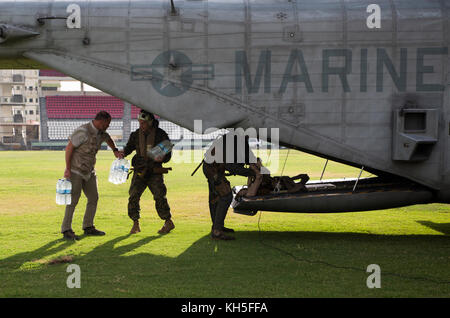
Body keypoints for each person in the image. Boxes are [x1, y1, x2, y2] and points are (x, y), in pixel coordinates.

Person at [61, 111, 122, 240]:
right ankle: (66, 229)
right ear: (101, 121)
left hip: (89, 171)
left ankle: (88, 226)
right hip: (76, 170)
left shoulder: (101, 133)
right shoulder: (83, 131)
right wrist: (67, 168)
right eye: (107, 123)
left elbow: (108, 139)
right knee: (73, 200)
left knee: (93, 198)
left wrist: (115, 150)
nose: (108, 126)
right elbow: (69, 148)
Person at [121, 110, 175, 235]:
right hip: (140, 170)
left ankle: (168, 221)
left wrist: (163, 158)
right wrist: (123, 153)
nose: (141, 125)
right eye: (140, 122)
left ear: (150, 122)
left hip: (154, 171)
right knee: (133, 195)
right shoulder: (136, 134)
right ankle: (135, 223)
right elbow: (129, 148)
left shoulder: (161, 134)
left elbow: (167, 153)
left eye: (144, 123)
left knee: (159, 196)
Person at [202, 132, 257, 240]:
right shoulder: (232, 141)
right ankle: (217, 231)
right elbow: (232, 167)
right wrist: (252, 172)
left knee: (216, 198)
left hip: (215, 168)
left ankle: (217, 226)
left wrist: (255, 164)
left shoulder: (240, 139)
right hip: (212, 170)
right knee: (226, 196)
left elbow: (248, 156)